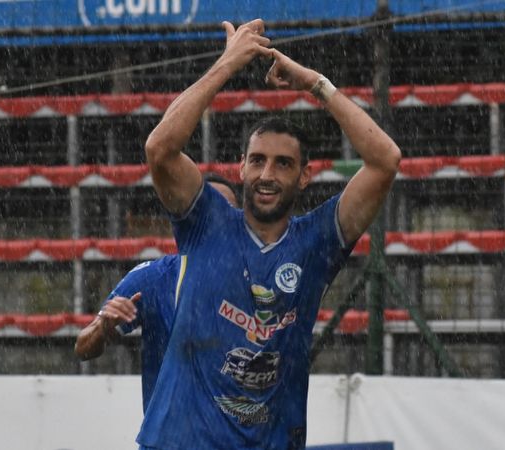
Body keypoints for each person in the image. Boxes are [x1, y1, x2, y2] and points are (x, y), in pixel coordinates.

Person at [137, 18, 401, 449]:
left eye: (282, 164)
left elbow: (385, 160)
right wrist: (227, 64)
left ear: (304, 177)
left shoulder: (317, 242)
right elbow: (159, 149)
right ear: (240, 166)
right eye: (257, 160)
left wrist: (315, 83)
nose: (267, 174)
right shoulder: (207, 220)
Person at [74, 174, 239, 412]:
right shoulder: (153, 279)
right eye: (207, 209)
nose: (218, 217)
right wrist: (103, 328)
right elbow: (83, 347)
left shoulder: (258, 281)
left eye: (228, 210)